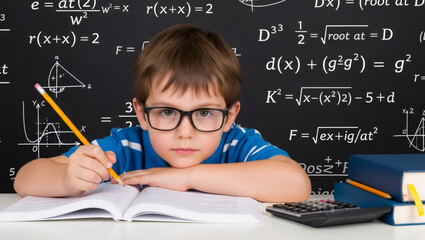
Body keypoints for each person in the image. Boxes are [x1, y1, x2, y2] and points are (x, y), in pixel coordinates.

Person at [14, 24, 311, 202]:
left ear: (230, 116)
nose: (185, 131)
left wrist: (187, 176)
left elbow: (297, 184)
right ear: (141, 114)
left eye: (205, 113)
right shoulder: (127, 147)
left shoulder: (237, 144)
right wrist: (67, 178)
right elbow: (25, 179)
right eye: (168, 111)